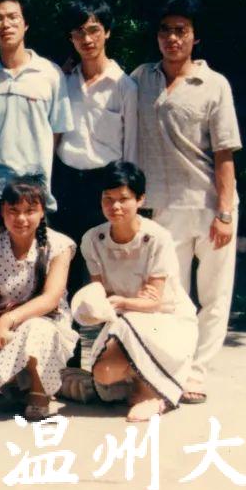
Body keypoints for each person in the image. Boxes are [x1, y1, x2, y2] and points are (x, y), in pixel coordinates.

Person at [131, 0, 241, 405]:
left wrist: (224, 212)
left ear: (195, 37)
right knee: (170, 297)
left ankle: (198, 371)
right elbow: (101, 82)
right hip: (163, 207)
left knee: (214, 295)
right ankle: (172, 366)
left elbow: (225, 153)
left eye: (181, 30)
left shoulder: (214, 84)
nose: (172, 38)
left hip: (210, 205)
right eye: (165, 30)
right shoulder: (141, 79)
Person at [79, 161, 198, 422]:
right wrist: (107, 305)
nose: (115, 206)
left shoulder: (158, 238)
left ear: (140, 199)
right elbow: (101, 294)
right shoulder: (92, 240)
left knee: (132, 324)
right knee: (103, 374)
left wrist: (121, 302)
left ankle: (157, 393)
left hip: (166, 321)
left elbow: (154, 302)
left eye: (123, 199)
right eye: (108, 199)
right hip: (124, 320)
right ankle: (145, 377)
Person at [0, 0, 73, 240]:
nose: (5, 24)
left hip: (32, 189)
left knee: (31, 262)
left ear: (26, 24)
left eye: (13, 17)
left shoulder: (50, 73)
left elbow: (56, 132)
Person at [0, 176, 77, 422]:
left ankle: (39, 393)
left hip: (48, 324)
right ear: (2, 211)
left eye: (30, 211)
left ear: (42, 212)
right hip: (7, 328)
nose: (21, 218)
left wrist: (8, 319)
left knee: (36, 328)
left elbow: (50, 299)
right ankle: (19, 384)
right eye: (13, 211)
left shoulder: (59, 245)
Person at [52, 0, 138, 293]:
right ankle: (64, 323)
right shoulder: (63, 80)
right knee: (65, 258)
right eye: (79, 32)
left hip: (105, 182)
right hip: (66, 180)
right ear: (71, 38)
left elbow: (132, 144)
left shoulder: (125, 86)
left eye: (93, 30)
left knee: (104, 263)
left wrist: (128, 191)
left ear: (107, 32)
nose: (87, 39)